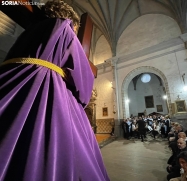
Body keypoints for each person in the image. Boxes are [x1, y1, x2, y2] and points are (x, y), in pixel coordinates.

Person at [0, 1, 109, 181]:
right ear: (71, 22)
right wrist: (82, 99)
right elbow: (83, 79)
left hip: (10, 84)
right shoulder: (64, 27)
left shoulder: (28, 32)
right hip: (45, 88)